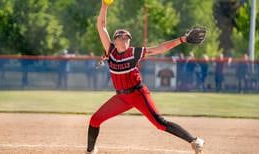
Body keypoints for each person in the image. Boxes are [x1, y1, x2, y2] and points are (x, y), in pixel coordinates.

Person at [86, 1, 206, 154]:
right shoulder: (110, 51)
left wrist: (181, 39)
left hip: (138, 94)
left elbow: (160, 48)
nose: (125, 39)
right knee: (95, 120)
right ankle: (90, 151)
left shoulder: (134, 52)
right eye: (122, 37)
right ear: (115, 41)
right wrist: (104, 5)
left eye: (127, 38)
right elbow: (101, 26)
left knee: (159, 123)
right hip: (121, 98)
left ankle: (195, 141)